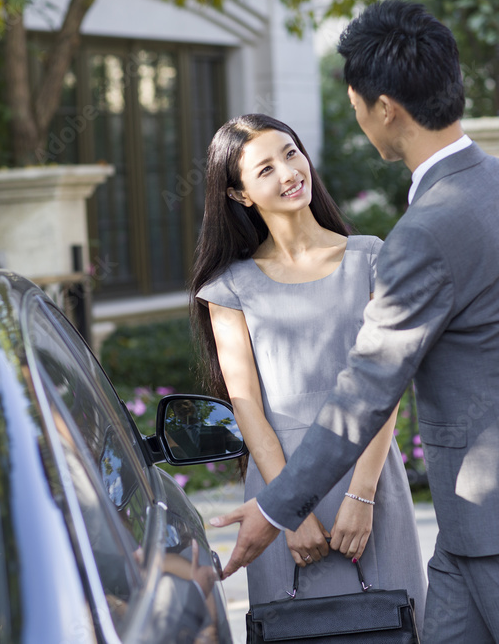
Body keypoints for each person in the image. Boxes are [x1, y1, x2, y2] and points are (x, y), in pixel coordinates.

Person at [209, 0, 499, 644]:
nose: (358, 116)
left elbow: (366, 391)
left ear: (385, 108)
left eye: (357, 103)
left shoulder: (424, 232)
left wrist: (275, 509)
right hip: (472, 525)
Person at [190, 113, 427, 621]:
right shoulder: (229, 288)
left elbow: (386, 388)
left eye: (291, 153)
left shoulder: (370, 259)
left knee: (396, 624)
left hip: (369, 476)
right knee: (294, 628)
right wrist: (286, 509)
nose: (288, 172)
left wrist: (362, 496)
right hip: (278, 486)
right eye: (265, 168)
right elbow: (247, 406)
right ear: (239, 195)